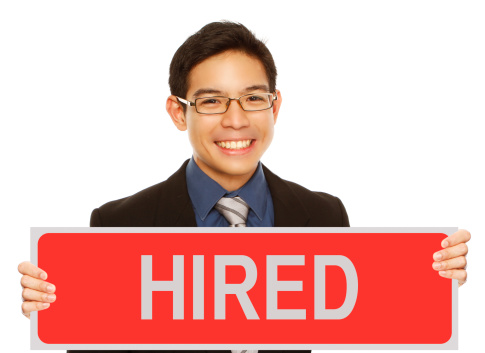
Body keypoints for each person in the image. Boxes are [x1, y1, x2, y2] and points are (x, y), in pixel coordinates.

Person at [18, 21, 470, 353]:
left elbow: (356, 318)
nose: (236, 120)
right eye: (212, 101)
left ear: (276, 107)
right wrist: (57, 308)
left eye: (254, 98)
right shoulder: (118, 224)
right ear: (179, 113)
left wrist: (429, 277)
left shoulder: (325, 216)